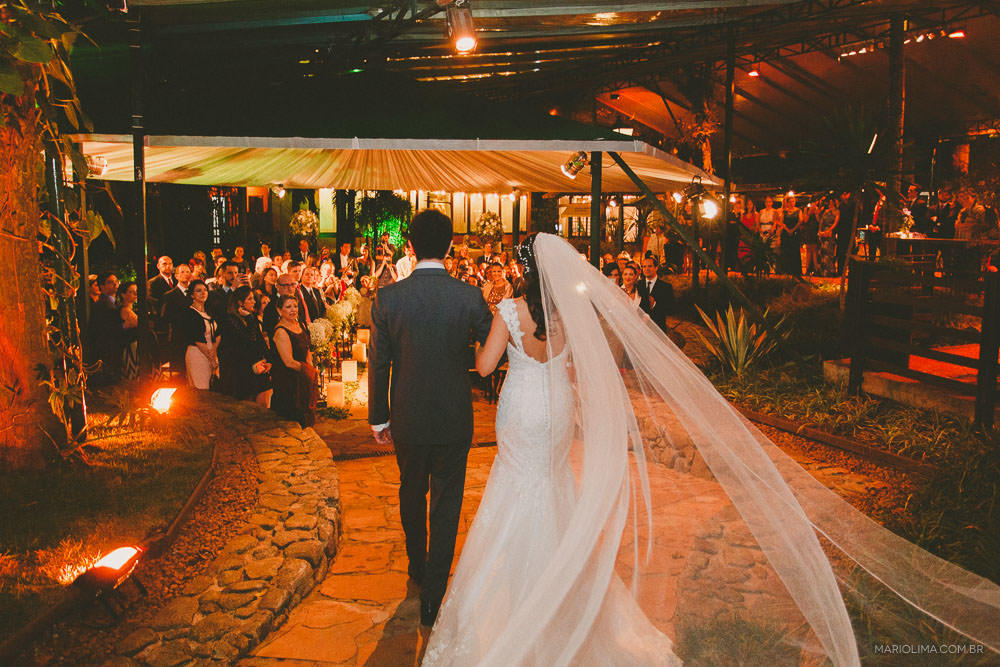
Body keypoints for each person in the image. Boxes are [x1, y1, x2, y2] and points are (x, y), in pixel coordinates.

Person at [424, 232, 1000, 665]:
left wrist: (479, 347)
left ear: (524, 271)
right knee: (552, 488)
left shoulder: (508, 310)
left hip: (523, 409)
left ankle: (517, 609)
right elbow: (580, 367)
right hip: (555, 411)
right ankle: (561, 601)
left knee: (516, 491)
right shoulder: (569, 315)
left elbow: (485, 367)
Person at [368, 209, 492, 628]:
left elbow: (379, 362)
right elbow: (493, 349)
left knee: (411, 490)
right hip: (454, 416)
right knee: (447, 503)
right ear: (451, 245)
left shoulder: (389, 298)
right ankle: (434, 594)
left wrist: (378, 418)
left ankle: (418, 567)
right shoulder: (468, 297)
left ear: (410, 246)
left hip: (408, 415)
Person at [218, 286, 272, 407]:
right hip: (242, 369)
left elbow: (260, 341)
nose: (254, 302)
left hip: (257, 365)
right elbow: (248, 340)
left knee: (264, 402)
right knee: (248, 405)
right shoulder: (231, 320)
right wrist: (249, 319)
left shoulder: (252, 317)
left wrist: (269, 360)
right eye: (250, 299)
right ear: (240, 302)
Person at [271, 295, 317, 427]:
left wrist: (310, 368)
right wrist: (308, 371)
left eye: (295, 306)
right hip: (289, 382)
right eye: (288, 307)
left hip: (302, 377)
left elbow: (307, 350)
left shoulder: (300, 324)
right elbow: (289, 362)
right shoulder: (281, 331)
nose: (293, 310)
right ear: (279, 310)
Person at [179, 279, 220, 390]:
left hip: (211, 353)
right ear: (192, 295)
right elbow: (197, 339)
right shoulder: (190, 313)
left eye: (205, 290)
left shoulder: (209, 311)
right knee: (201, 389)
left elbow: (218, 333)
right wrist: (211, 358)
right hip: (197, 354)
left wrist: (214, 352)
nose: (203, 293)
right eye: (198, 291)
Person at [637, 256, 673, 333]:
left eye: (650, 266)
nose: (647, 269)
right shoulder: (638, 285)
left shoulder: (666, 287)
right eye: (644, 266)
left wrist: (655, 304)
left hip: (658, 329)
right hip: (640, 329)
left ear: (656, 268)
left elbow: (671, 309)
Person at [117, 281, 139, 380]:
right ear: (123, 294)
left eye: (136, 291)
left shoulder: (129, 309)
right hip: (130, 349)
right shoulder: (125, 310)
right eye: (131, 292)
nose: (135, 294)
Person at [776, 193, 802, 276]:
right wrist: (787, 230)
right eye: (790, 202)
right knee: (786, 251)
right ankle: (786, 270)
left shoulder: (798, 211)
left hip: (795, 233)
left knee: (795, 251)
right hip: (785, 233)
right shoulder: (784, 211)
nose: (792, 203)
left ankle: (795, 271)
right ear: (787, 203)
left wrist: (793, 230)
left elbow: (800, 221)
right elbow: (782, 222)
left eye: (793, 201)